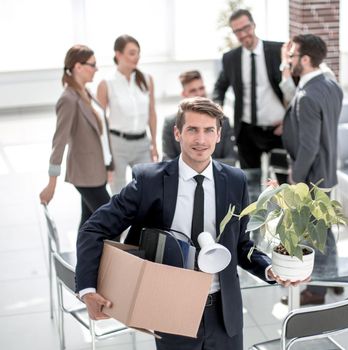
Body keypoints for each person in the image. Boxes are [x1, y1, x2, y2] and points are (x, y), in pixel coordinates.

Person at [76, 97, 298, 350]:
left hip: (225, 314)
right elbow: (94, 228)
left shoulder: (235, 181)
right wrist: (87, 288)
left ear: (218, 135)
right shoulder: (149, 181)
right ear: (177, 133)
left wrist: (270, 269)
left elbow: (240, 245)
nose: (201, 140)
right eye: (192, 129)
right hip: (172, 310)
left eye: (208, 131)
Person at [281, 34, 344, 305]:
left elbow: (308, 146)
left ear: (305, 60)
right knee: (324, 229)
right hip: (327, 171)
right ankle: (333, 278)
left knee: (315, 233)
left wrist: (296, 176)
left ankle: (316, 292)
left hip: (311, 177)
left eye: (293, 56)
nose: (290, 60)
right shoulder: (332, 84)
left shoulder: (307, 96)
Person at [39, 45, 113, 228]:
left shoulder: (86, 93)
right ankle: (104, 257)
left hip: (97, 170)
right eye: (92, 64)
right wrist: (52, 182)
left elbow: (101, 135)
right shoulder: (68, 99)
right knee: (113, 220)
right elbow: (59, 142)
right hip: (85, 174)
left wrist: (109, 165)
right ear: (78, 67)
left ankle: (85, 256)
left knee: (88, 221)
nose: (96, 68)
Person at [213, 9, 285, 172]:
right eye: (238, 31)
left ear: (254, 25)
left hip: (278, 130)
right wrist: (217, 107)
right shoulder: (231, 58)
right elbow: (220, 86)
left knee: (283, 185)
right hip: (247, 131)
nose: (244, 34)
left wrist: (289, 120)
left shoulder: (278, 51)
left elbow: (294, 89)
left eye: (246, 28)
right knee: (250, 182)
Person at [97, 34, 158, 194]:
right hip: (117, 145)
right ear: (118, 54)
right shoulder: (106, 83)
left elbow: (152, 113)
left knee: (148, 187)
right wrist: (105, 154)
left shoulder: (147, 79)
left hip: (142, 143)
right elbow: (100, 122)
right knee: (118, 191)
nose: (136, 57)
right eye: (132, 53)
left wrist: (154, 144)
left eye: (138, 53)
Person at [162, 70, 236, 164]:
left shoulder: (223, 121)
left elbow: (231, 160)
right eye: (193, 90)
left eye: (201, 88)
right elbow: (167, 160)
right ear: (184, 95)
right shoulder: (170, 123)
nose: (199, 94)